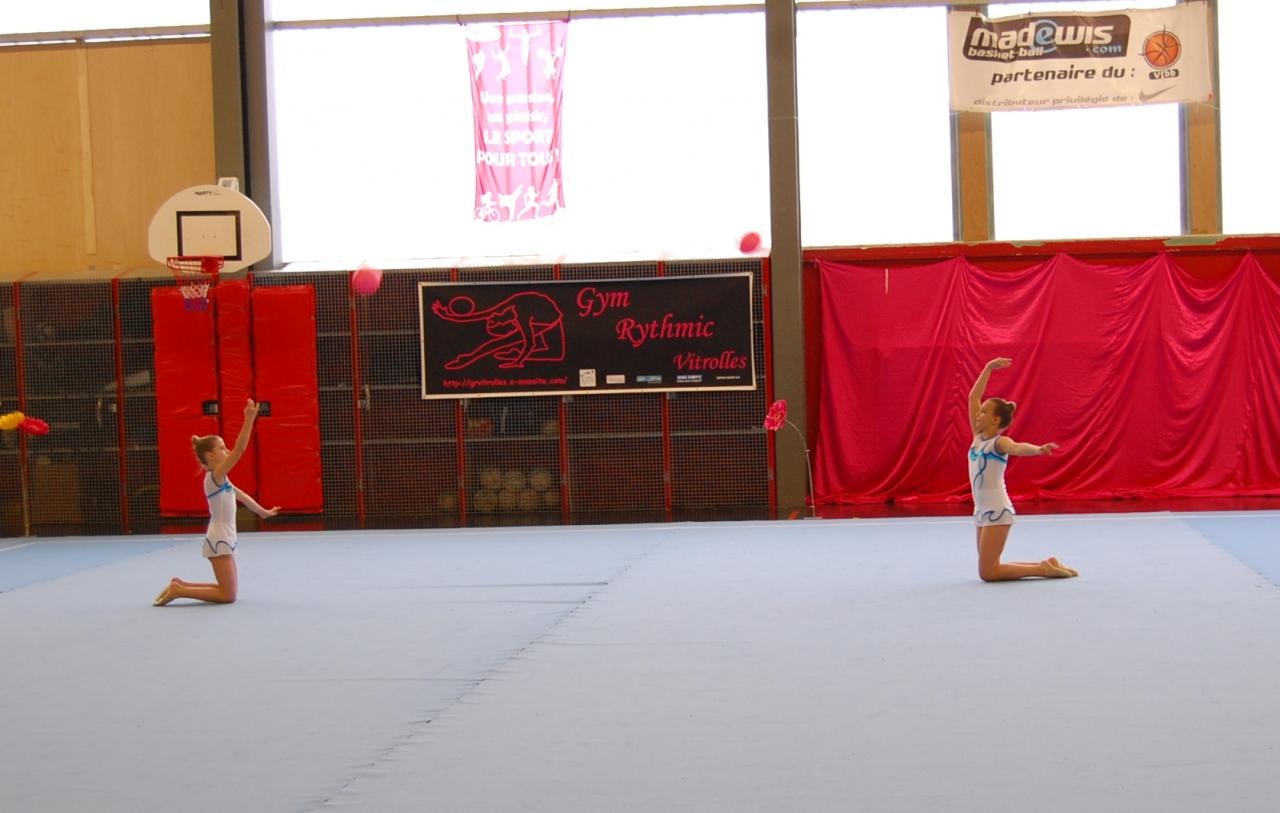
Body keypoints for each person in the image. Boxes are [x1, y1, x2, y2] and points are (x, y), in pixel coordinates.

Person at [154, 399, 279, 606]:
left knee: (228, 591)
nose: (227, 450)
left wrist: (263, 512)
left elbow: (241, 496)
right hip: (219, 538)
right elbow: (239, 450)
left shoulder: (222, 479)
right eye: (222, 448)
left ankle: (181, 585)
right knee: (227, 596)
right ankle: (179, 590)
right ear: (210, 456)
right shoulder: (215, 476)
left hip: (225, 536)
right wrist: (249, 419)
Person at [968, 358, 1077, 582]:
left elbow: (1018, 447)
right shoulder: (978, 438)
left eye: (984, 412)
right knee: (990, 567)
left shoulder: (999, 443)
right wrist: (988, 368)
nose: (978, 414)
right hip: (981, 511)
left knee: (988, 573)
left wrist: (1038, 450)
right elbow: (973, 398)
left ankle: (1042, 570)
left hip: (997, 510)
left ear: (995, 420)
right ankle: (1045, 564)